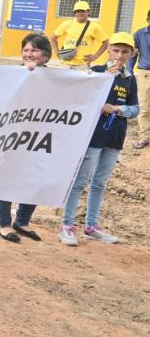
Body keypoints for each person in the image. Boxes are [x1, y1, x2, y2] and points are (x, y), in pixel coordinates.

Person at [58, 32, 138, 246]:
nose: (119, 55)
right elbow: (81, 100)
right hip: (93, 136)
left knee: (100, 183)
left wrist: (118, 109)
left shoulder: (130, 78)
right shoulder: (95, 72)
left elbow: (135, 109)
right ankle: (66, 225)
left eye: (124, 52)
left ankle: (91, 226)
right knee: (80, 181)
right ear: (108, 50)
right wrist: (105, 78)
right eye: (116, 50)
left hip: (115, 137)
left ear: (132, 54)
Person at [0, 33, 52, 243]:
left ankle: (23, 220)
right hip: (13, 136)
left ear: (45, 56)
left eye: (34, 50)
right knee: (8, 177)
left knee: (35, 175)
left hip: (40, 137)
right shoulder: (13, 74)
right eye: (26, 50)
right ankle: (3, 223)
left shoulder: (57, 78)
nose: (29, 54)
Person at [50, 0, 108, 71]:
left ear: (88, 12)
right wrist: (57, 53)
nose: (80, 13)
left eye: (83, 11)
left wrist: (95, 56)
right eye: (77, 11)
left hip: (82, 65)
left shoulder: (94, 27)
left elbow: (106, 42)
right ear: (75, 13)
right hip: (65, 63)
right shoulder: (67, 24)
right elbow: (53, 37)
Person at [129, 10, 150, 149]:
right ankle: (144, 137)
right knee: (144, 108)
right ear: (148, 18)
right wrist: (129, 72)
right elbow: (133, 55)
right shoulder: (139, 34)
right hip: (145, 74)